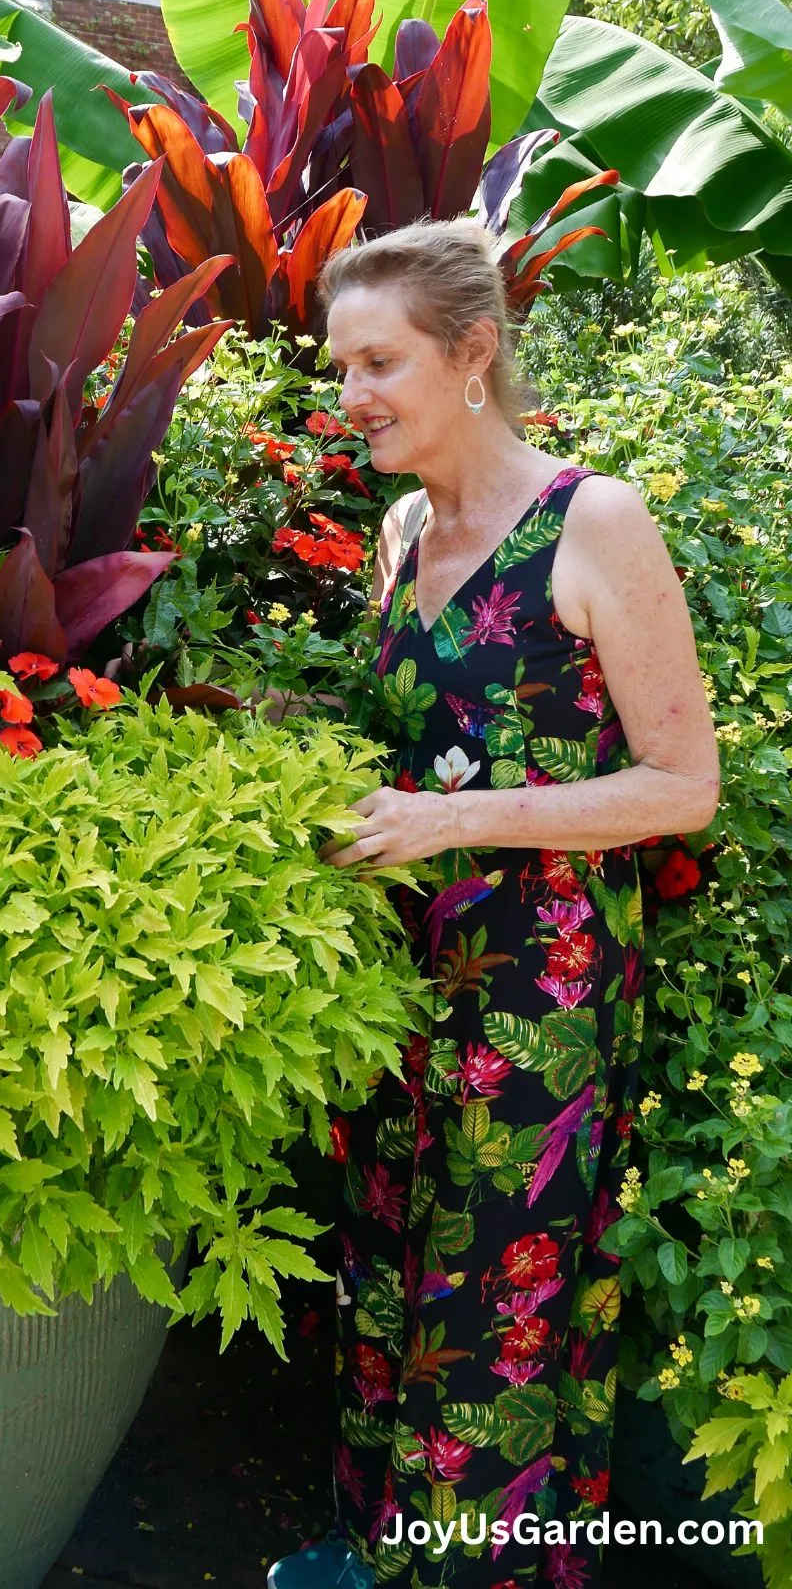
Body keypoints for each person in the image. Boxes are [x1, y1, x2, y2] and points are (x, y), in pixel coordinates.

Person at [265, 222, 719, 1589]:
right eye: (342, 365)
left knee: (492, 1299)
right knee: (390, 1272)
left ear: (474, 355)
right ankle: (380, 1551)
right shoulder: (401, 529)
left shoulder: (596, 521)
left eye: (379, 361)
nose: (352, 393)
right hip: (404, 984)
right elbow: (418, 736)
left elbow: (682, 784)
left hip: (541, 993)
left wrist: (453, 820)